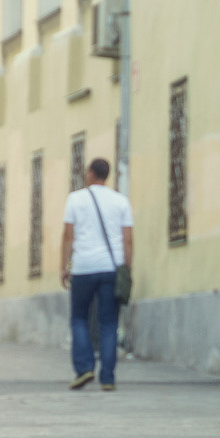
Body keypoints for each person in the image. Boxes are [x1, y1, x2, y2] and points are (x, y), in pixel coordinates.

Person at [60, 158, 133, 391]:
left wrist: (64, 266)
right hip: (111, 268)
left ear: (90, 173)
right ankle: (108, 378)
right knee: (108, 322)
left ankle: (84, 368)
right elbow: (128, 239)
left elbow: (68, 236)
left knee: (79, 318)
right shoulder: (121, 201)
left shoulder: (75, 199)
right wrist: (127, 269)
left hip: (83, 268)